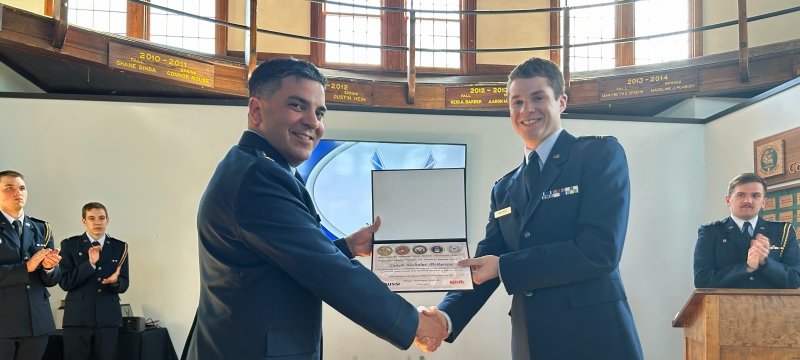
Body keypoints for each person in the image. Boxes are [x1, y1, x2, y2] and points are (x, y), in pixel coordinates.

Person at [184, 57, 445, 360]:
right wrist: (413, 323)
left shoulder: (257, 166)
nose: (313, 122)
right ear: (257, 111)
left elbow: (284, 259)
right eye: (297, 106)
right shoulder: (258, 176)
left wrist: (346, 246)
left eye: (319, 112)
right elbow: (328, 271)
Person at [422, 58, 643, 359]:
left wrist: (504, 267)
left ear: (561, 101)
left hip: (594, 337)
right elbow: (485, 264)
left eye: (538, 97)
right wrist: (445, 318)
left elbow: (599, 251)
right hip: (532, 342)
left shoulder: (598, 155)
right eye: (517, 102)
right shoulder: (504, 188)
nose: (527, 110)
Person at [694, 173, 800, 288]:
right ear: (728, 200)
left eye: (755, 196)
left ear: (764, 202)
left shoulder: (783, 231)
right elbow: (702, 280)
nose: (748, 200)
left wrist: (765, 263)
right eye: (741, 195)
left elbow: (795, 280)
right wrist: (747, 267)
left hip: (771, 305)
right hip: (726, 305)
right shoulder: (710, 232)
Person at [0, 170, 62, 360]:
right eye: (9, 188)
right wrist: (25, 267)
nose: (17, 193)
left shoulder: (42, 228)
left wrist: (50, 268)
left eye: (22, 188)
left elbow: (50, 280)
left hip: (36, 321)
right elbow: (26, 268)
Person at [59, 202, 130, 360]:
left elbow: (124, 283)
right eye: (92, 218)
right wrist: (89, 265)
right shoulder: (70, 245)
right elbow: (65, 282)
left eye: (101, 218)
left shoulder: (120, 247)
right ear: (84, 221)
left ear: (107, 220)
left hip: (108, 319)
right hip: (77, 319)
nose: (97, 222)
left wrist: (114, 282)